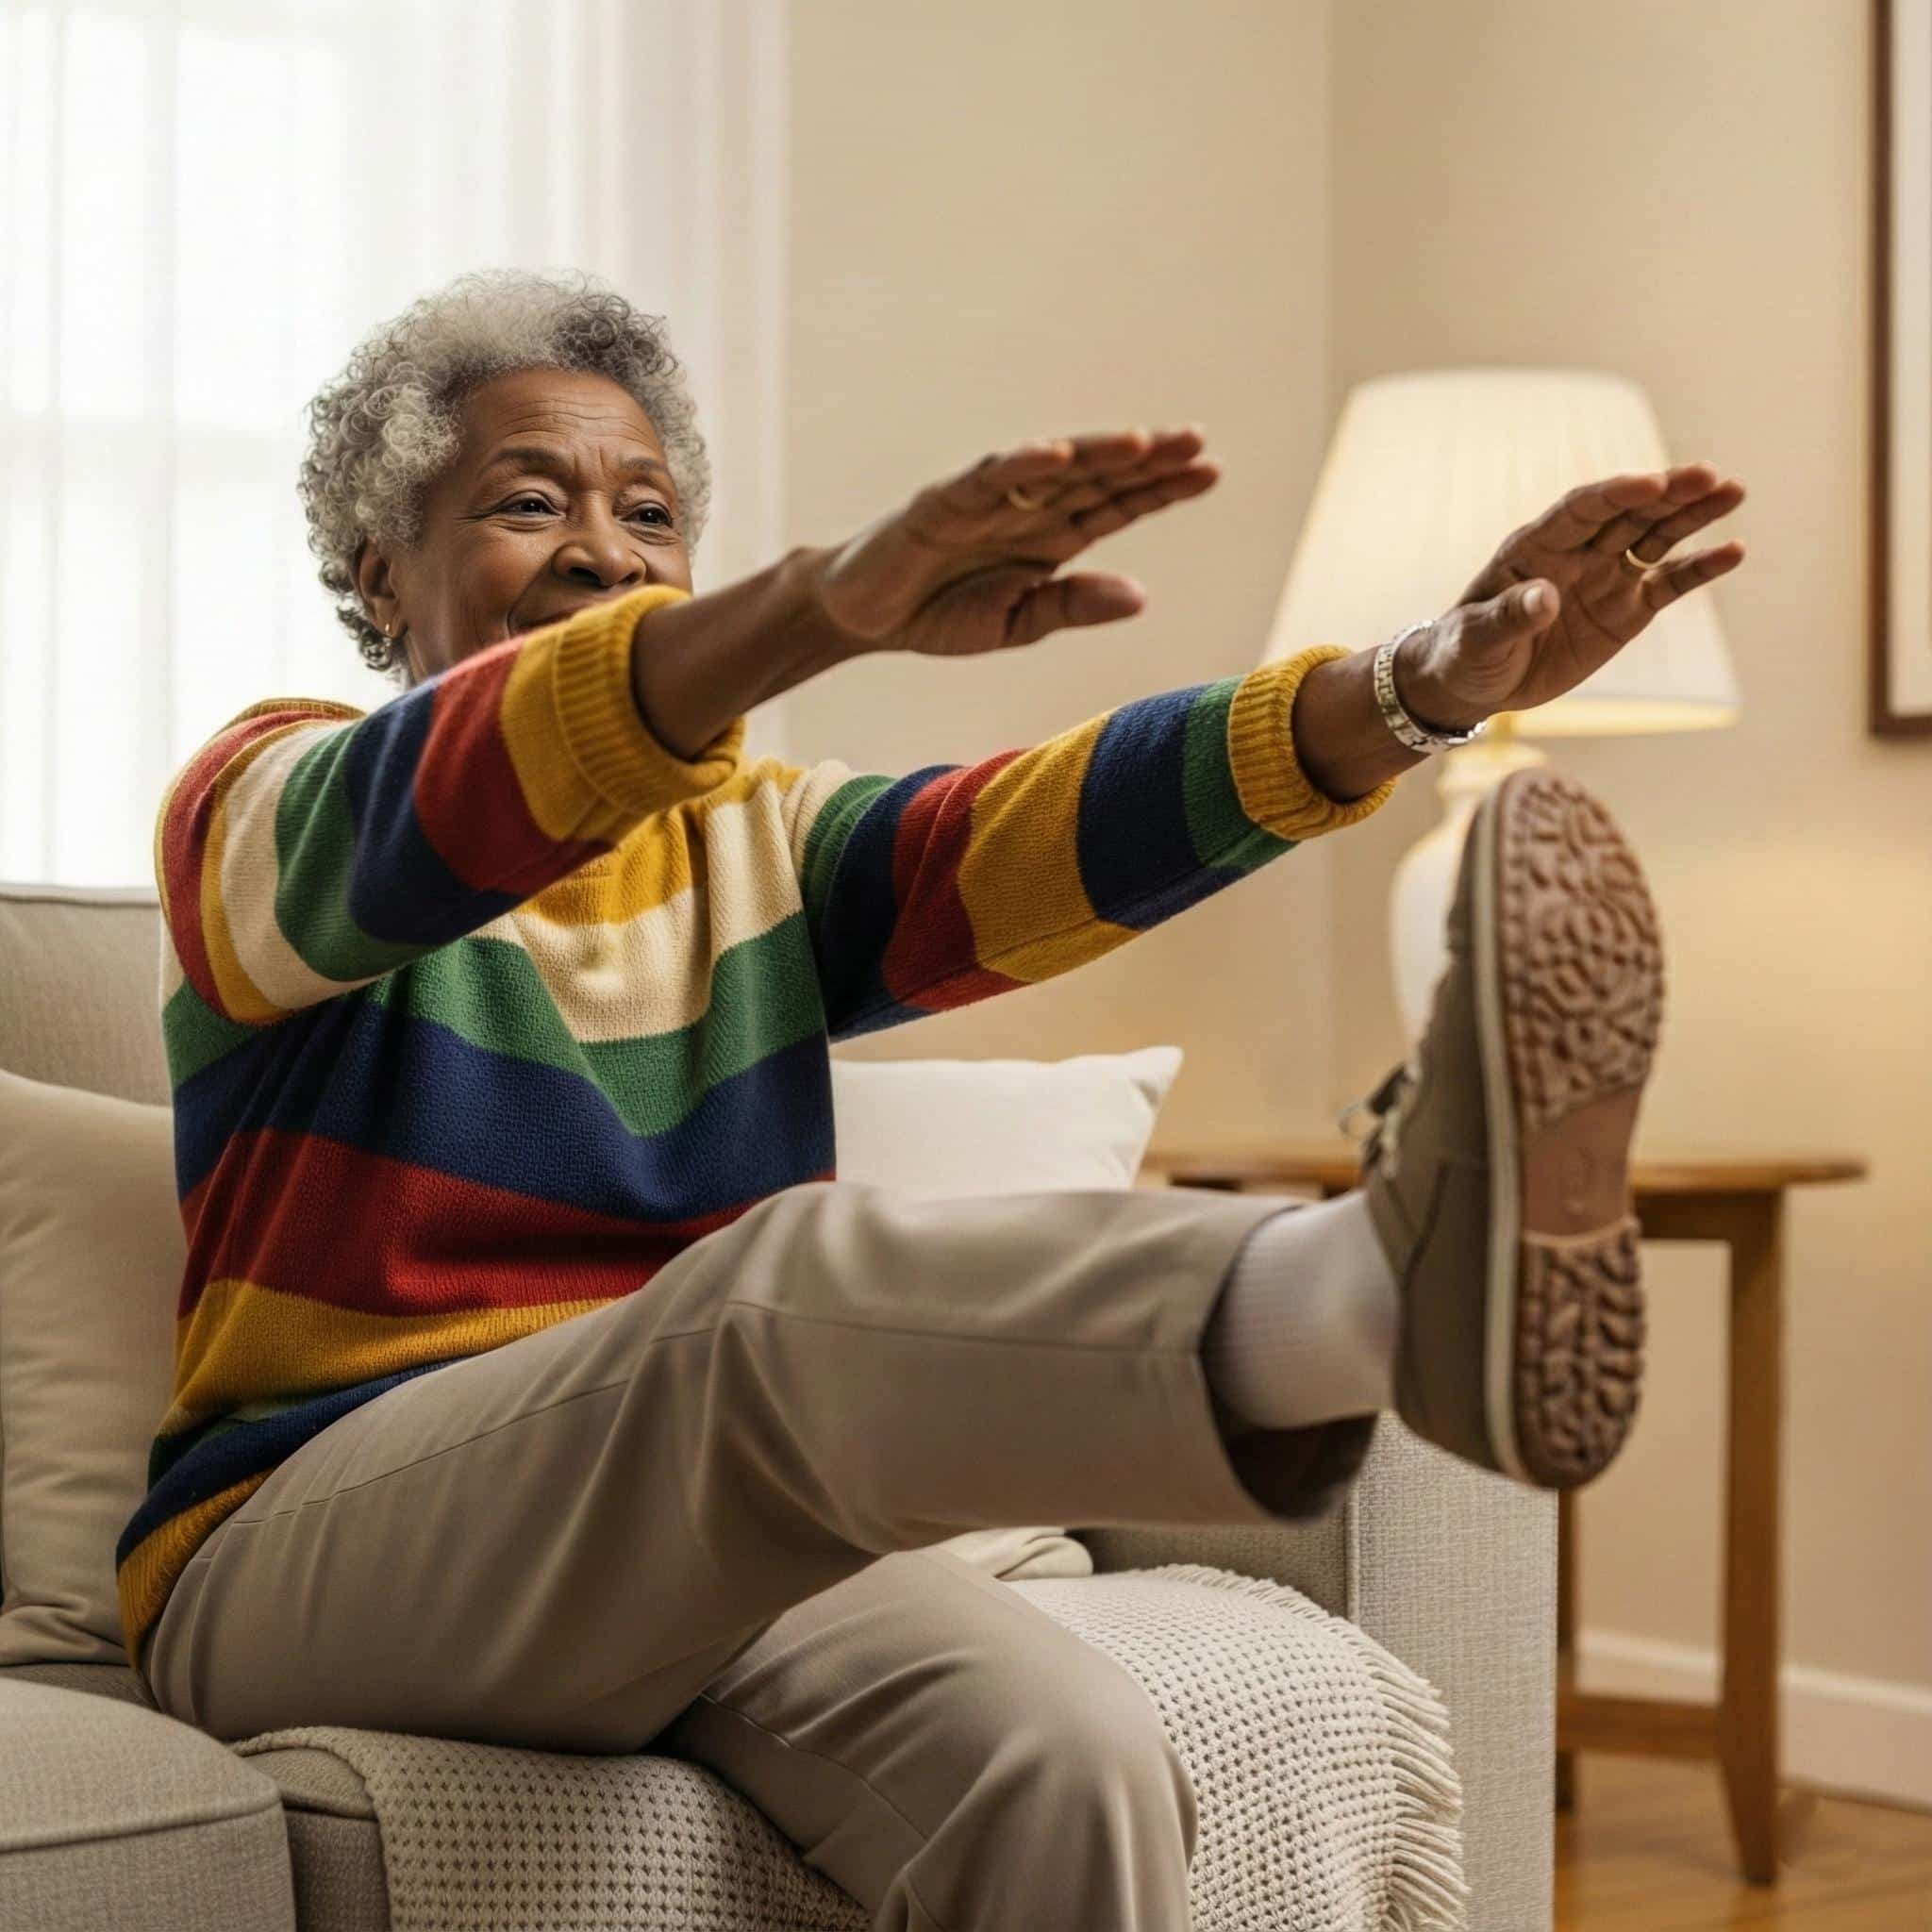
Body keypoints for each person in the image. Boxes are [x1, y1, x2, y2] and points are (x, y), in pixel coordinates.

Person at [122, 267, 1746, 1928]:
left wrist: (1419, 688)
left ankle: (1373, 1289)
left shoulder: (751, 845)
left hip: (705, 1523)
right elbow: (444, 797)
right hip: (308, 1547)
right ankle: (1371, 1292)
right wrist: (826, 604)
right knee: (760, 1308)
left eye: (651, 511)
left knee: (1072, 1753)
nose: (604, 549)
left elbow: (1043, 829)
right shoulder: (267, 807)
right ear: (381, 572)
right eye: (526, 503)